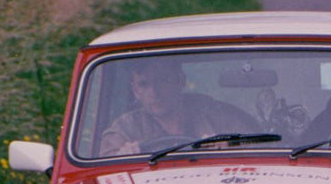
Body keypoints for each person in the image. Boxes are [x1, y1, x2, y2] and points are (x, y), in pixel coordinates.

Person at [99, 57, 254, 156]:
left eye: (162, 80)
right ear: (135, 91)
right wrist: (124, 158)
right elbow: (105, 172)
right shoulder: (125, 128)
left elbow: (256, 147)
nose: (154, 92)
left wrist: (229, 149)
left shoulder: (217, 114)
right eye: (144, 84)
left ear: (180, 81)